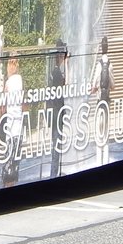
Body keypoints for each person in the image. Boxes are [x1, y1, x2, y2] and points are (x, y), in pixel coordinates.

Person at [0, 56, 24, 187]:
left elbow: (2, 106)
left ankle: (7, 185)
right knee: (16, 161)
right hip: (19, 125)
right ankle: (14, 184)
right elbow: (24, 101)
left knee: (8, 159)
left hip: (10, 126)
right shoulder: (20, 80)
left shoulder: (8, 82)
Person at [88, 36, 113, 164]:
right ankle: (106, 159)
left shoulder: (98, 64)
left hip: (99, 100)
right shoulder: (110, 64)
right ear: (107, 48)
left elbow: (95, 81)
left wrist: (94, 88)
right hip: (107, 100)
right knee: (106, 131)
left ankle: (98, 161)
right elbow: (113, 82)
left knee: (98, 130)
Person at [48, 42, 69, 177]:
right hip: (57, 111)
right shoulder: (57, 72)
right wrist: (67, 63)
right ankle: (54, 173)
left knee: (56, 142)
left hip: (55, 111)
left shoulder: (53, 71)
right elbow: (67, 82)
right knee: (57, 143)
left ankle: (54, 171)